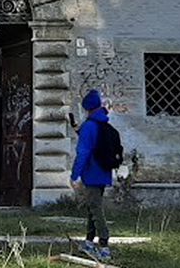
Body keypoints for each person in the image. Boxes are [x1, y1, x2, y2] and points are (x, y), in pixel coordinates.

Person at [70, 90, 112, 262]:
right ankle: (88, 241)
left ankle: (104, 246)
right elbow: (94, 142)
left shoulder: (89, 126)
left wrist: (74, 175)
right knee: (92, 206)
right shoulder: (102, 123)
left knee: (95, 209)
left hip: (91, 173)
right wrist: (78, 131)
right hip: (103, 171)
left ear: (87, 108)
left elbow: (83, 152)